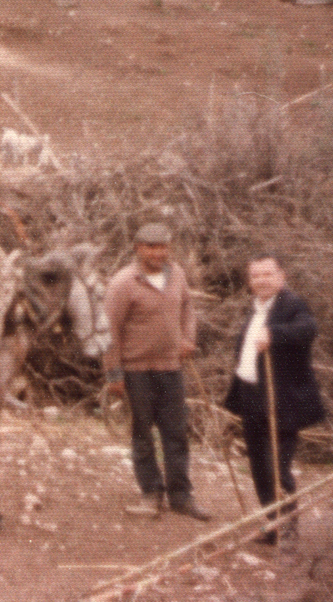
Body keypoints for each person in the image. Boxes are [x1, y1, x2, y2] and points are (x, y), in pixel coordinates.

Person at [104, 222, 211, 521]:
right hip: (136, 371)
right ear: (138, 248)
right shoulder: (124, 282)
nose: (158, 252)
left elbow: (188, 308)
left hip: (171, 368)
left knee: (176, 433)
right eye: (151, 246)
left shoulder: (176, 275)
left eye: (163, 246)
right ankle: (151, 494)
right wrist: (114, 375)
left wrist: (188, 338)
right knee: (142, 434)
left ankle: (181, 496)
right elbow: (109, 330)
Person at [224, 253, 325, 545]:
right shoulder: (255, 307)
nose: (261, 280)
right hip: (252, 396)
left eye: (268, 274)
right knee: (257, 464)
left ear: (282, 276)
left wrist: (275, 333)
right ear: (249, 280)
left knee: (276, 466)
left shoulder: (293, 305)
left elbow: (308, 329)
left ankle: (289, 529)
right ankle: (273, 524)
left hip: (282, 401)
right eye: (256, 276)